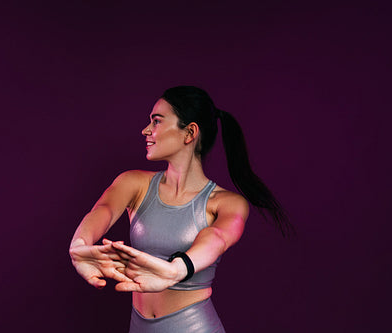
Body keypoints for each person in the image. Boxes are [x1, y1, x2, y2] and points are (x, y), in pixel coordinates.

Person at [69, 86, 292, 333]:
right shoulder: (133, 183)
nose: (146, 130)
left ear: (189, 133)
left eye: (156, 121)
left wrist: (177, 269)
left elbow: (216, 238)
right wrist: (79, 244)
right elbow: (103, 210)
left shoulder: (227, 203)